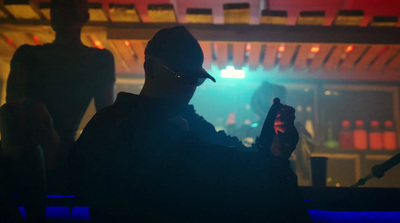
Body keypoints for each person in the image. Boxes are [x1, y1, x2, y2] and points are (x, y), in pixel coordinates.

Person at [71, 26, 311, 222]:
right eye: (181, 78)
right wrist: (271, 159)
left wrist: (272, 148)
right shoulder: (113, 124)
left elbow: (231, 151)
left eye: (196, 80)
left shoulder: (188, 120)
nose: (188, 88)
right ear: (150, 68)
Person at [0, 0, 115, 221]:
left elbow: (106, 115)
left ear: (84, 16)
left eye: (69, 7)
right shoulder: (27, 55)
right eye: (58, 7)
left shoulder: (99, 59)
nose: (62, 12)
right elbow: (13, 106)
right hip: (30, 140)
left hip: (58, 148)